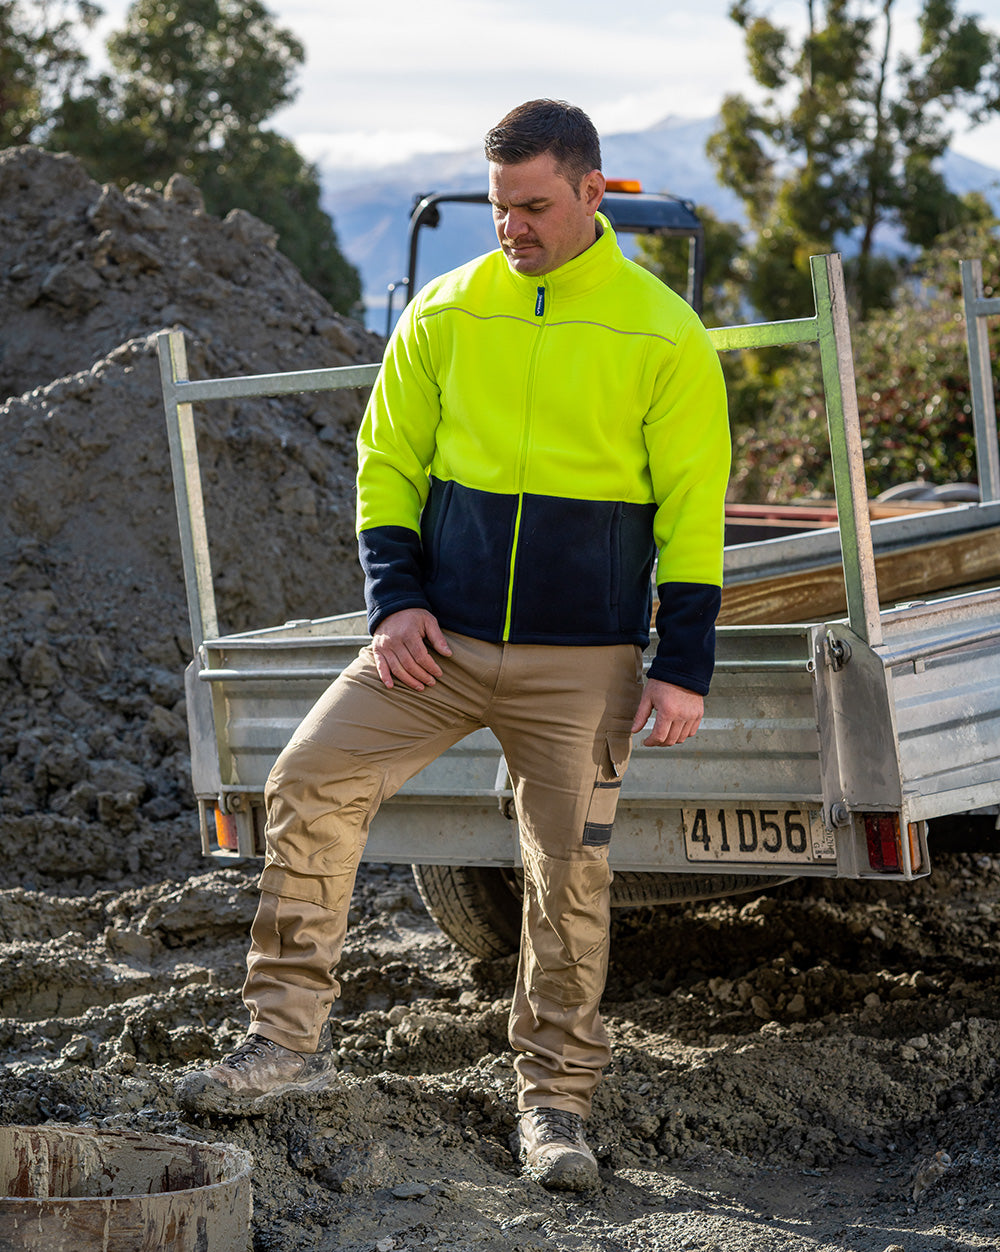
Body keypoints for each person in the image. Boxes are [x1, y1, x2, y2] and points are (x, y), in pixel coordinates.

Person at [177, 98, 730, 1192]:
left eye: (531, 206)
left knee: (564, 875)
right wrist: (393, 602)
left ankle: (555, 1106)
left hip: (584, 662)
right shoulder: (444, 311)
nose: (511, 227)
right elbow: (386, 464)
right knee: (309, 779)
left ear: (588, 191)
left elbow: (692, 509)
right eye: (497, 207)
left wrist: (683, 662)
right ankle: (282, 1044)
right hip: (438, 643)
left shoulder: (661, 331)